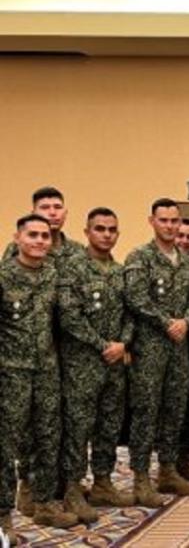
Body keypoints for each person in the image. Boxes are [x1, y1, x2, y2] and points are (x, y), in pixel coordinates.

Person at [1, 214, 80, 532]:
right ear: (18, 238)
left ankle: (44, 503)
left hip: (47, 371)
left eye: (45, 236)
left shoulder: (52, 274)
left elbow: (68, 320)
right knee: (6, 446)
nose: (39, 241)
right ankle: (3, 518)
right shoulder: (3, 277)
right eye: (32, 235)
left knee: (48, 438)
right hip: (11, 373)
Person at [57, 208, 134, 521]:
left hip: (114, 364)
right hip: (82, 364)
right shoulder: (72, 270)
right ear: (87, 232)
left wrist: (123, 343)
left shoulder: (119, 272)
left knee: (110, 424)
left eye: (112, 229)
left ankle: (103, 482)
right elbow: (69, 316)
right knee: (78, 426)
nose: (106, 234)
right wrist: (104, 345)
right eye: (100, 229)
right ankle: (73, 490)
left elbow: (130, 313)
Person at [123, 198, 189, 506]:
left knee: (175, 408)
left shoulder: (185, 261)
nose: (169, 226)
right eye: (163, 220)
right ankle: (141, 478)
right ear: (151, 221)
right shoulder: (140, 257)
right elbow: (135, 298)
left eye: (173, 221)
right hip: (150, 348)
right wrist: (166, 322)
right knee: (146, 411)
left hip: (179, 349)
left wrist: (187, 320)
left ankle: (167, 470)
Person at [3, 187, 83, 263]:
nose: (52, 213)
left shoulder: (78, 250)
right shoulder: (17, 248)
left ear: (65, 213)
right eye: (45, 207)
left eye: (58, 207)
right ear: (34, 214)